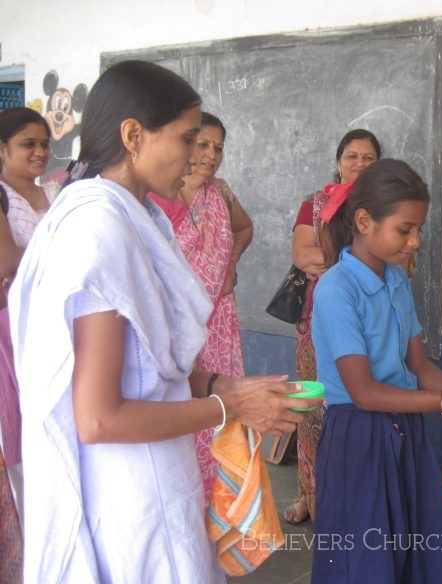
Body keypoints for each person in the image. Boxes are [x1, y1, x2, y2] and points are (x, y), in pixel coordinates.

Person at [8, 60, 320, 583]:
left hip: (155, 482)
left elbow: (146, 367)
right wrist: (227, 405)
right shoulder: (97, 228)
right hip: (130, 498)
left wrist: (226, 385)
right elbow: (99, 418)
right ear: (133, 135)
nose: (198, 156)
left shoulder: (132, 217)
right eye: (187, 139)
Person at [310, 158, 442, 583]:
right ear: (365, 221)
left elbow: (419, 366)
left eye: (418, 230)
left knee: (415, 550)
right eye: (405, 229)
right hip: (359, 438)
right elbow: (364, 393)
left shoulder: (396, 281)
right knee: (364, 558)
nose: (415, 241)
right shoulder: (337, 289)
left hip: (406, 431)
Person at [149, 111, 253, 503]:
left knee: (223, 411)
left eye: (218, 147)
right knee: (186, 406)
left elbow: (245, 228)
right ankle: (188, 495)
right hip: (178, 325)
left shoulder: (221, 192)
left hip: (221, 322)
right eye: (203, 144)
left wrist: (233, 262)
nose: (210, 154)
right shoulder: (160, 197)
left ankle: (224, 500)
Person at [284, 129, 381, 525]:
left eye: (368, 158)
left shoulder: (384, 205)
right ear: (339, 160)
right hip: (316, 320)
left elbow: (395, 259)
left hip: (369, 322)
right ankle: (310, 493)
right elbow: (301, 253)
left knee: (361, 406)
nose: (358, 163)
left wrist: (335, 264)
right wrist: (356, 265)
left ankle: (357, 498)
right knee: (312, 407)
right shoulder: (316, 203)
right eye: (351, 156)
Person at [0, 106, 57, 514]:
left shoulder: (55, 192)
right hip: (15, 330)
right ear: (2, 148)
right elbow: (5, 260)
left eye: (44, 144)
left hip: (58, 325)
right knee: (21, 425)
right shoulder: (2, 194)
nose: (39, 152)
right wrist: (63, 252)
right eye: (28, 144)